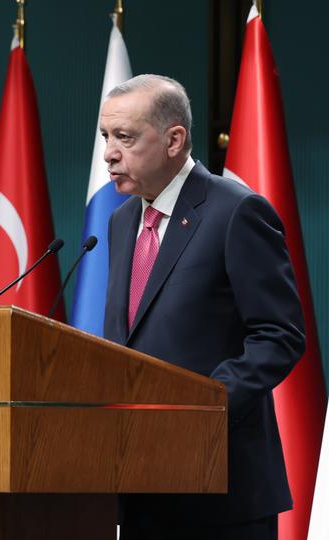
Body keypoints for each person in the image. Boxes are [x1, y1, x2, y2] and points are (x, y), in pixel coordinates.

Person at [100, 74, 305, 540]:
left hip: (222, 488)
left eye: (125, 137)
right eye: (106, 137)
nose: (110, 152)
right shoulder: (120, 221)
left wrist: (204, 407)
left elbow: (280, 335)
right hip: (140, 484)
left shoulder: (236, 211)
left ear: (175, 139)